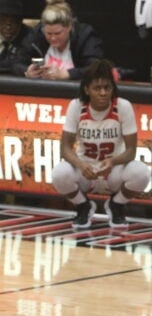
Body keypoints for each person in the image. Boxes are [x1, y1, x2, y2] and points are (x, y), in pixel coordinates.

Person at [51, 59, 150, 230]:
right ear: (87, 89)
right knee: (59, 173)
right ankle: (83, 206)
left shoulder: (123, 106)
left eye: (107, 88)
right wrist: (81, 165)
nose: (103, 93)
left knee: (141, 173)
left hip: (112, 171)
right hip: (86, 169)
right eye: (98, 88)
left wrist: (112, 162)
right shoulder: (76, 106)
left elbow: (131, 151)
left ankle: (116, 205)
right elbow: (65, 148)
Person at [22, 0, 104, 81]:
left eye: (58, 33)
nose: (53, 38)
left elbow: (96, 67)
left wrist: (68, 74)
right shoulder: (37, 33)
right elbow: (16, 61)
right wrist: (26, 71)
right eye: (49, 34)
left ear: (69, 27)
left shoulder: (85, 35)